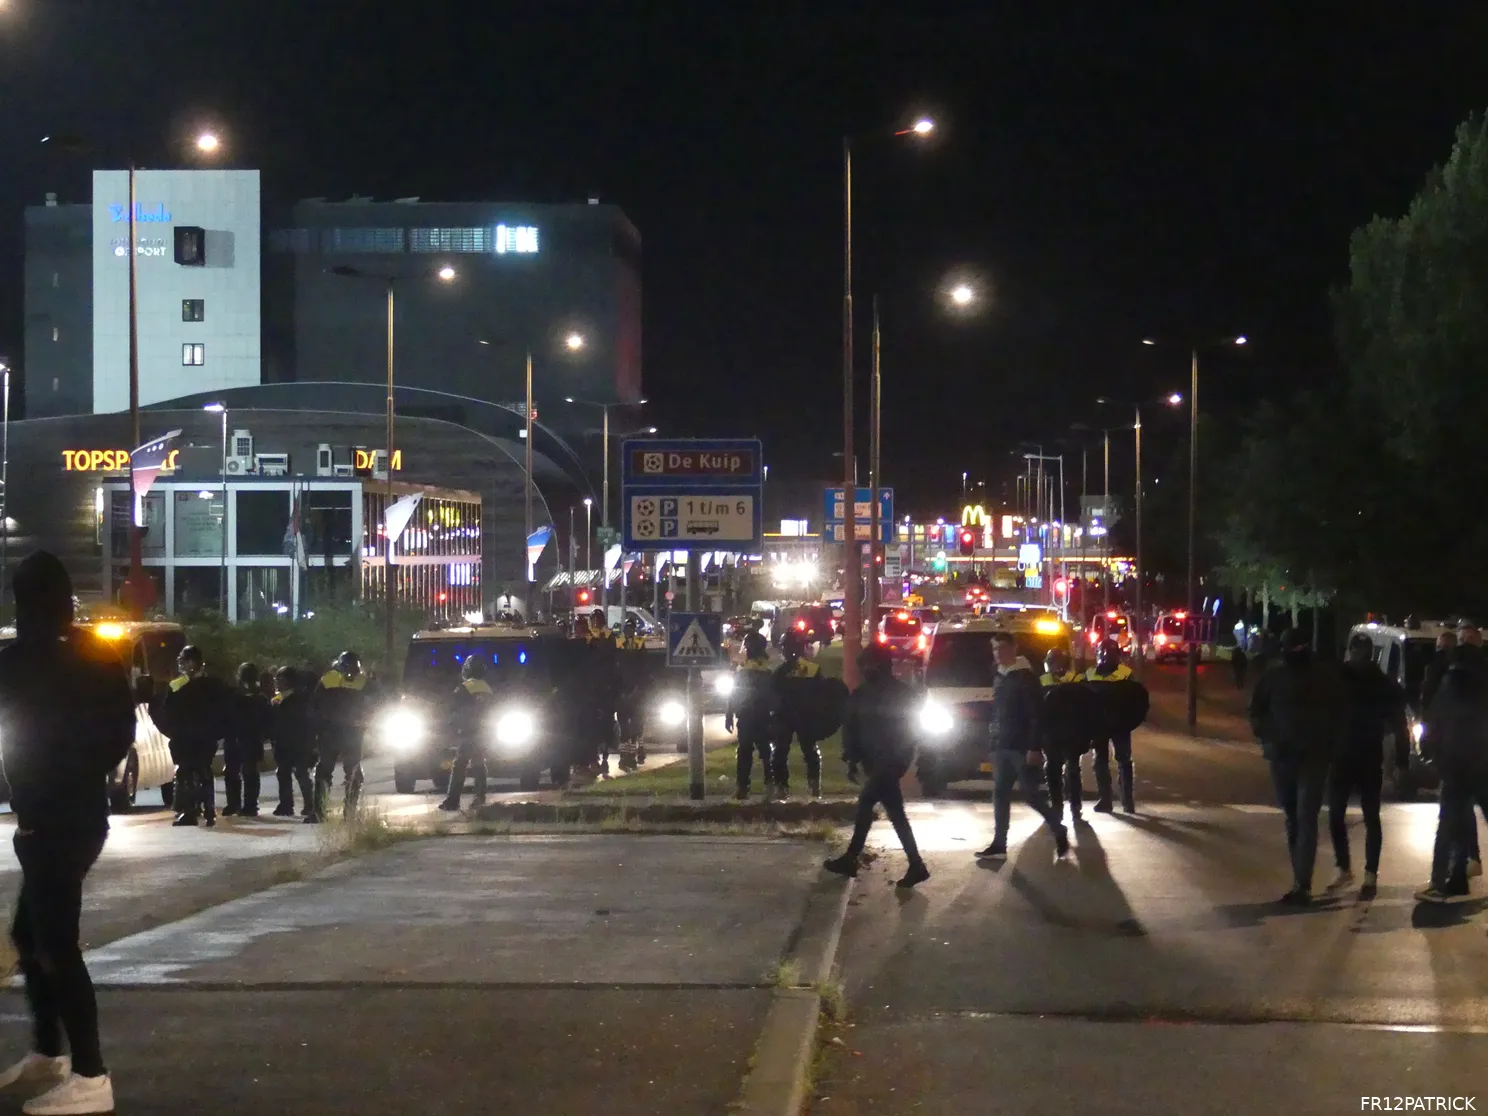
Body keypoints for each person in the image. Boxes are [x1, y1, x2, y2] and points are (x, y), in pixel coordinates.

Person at [0, 551, 134, 1115]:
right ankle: (50, 1052)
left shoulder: (16, 660)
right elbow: (120, 734)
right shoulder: (100, 657)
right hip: (80, 814)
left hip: (51, 819)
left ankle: (89, 1073)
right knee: (32, 938)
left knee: (55, 944)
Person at [1248, 628, 1345, 904]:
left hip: (1310, 756)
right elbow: (1256, 710)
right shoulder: (1276, 678)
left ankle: (1302, 881)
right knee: (1295, 817)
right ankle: (1300, 878)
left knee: (1304, 817)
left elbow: (1340, 714)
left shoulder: (1323, 678)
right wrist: (1267, 734)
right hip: (1286, 755)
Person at [823, 643, 929, 888]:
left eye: (870, 665)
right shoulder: (863, 694)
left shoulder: (900, 694)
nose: (867, 670)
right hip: (877, 762)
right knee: (895, 814)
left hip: (889, 763)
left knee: (866, 805)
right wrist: (851, 758)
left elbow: (911, 730)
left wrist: (902, 758)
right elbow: (852, 728)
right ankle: (916, 865)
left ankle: (851, 858)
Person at [1328, 634, 1409, 895]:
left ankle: (1347, 869)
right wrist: (1402, 759)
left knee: (1339, 814)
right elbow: (1399, 724)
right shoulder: (1382, 683)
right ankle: (1368, 874)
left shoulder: (1340, 680)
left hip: (1347, 755)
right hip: (1367, 755)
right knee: (1369, 816)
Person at [979, 633, 1070, 861]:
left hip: (1021, 747)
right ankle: (999, 843)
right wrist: (992, 740)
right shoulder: (1000, 676)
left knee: (1031, 795)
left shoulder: (1025, 678)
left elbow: (1035, 716)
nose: (998, 654)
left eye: (1002, 648)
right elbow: (998, 712)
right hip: (1001, 745)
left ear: (1013, 649)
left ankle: (1058, 828)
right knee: (1000, 794)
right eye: (995, 649)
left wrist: (1034, 747)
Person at [1417, 639, 1488, 902]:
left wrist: (1432, 756)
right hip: (1483, 766)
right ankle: (1457, 876)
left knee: (1448, 825)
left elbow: (1433, 727)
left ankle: (1440, 882)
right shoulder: (1484, 687)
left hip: (1456, 767)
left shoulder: (1448, 688)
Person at [155, 645, 233, 827]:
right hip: (205, 737)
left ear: (192, 663)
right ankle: (208, 809)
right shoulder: (215, 686)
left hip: (189, 738)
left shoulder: (183, 687)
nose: (180, 664)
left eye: (182, 660)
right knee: (203, 770)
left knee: (186, 772)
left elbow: (168, 712)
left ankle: (190, 811)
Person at [312, 651, 376, 821]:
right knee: (324, 771)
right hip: (331, 732)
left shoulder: (364, 683)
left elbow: (376, 703)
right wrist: (320, 726)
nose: (349, 673)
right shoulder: (328, 680)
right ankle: (319, 811)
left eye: (352, 670)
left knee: (353, 772)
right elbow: (315, 705)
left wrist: (366, 720)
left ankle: (349, 812)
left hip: (351, 733)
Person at [1085, 638, 1144, 813]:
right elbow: (1083, 700)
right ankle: (1106, 799)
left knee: (1123, 761)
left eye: (1110, 652)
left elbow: (1137, 700)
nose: (1105, 656)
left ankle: (1127, 800)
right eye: (1103, 652)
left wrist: (1131, 720)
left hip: (1120, 725)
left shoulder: (1126, 674)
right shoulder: (1090, 674)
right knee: (1100, 762)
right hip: (1100, 725)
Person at [1040, 648, 1094, 825]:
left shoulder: (1077, 680)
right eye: (1052, 662)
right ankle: (1057, 807)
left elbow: (1087, 709)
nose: (1055, 666)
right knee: (1053, 771)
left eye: (1057, 662)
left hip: (1072, 734)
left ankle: (1075, 807)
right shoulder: (1042, 680)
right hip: (1052, 735)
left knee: (1072, 771)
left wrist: (1087, 734)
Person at [771, 630, 825, 798]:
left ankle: (781, 787)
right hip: (806, 716)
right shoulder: (813, 669)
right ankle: (814, 784)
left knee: (780, 751)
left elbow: (772, 694)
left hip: (784, 716)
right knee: (810, 751)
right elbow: (822, 694)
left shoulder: (780, 671)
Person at [725, 632, 775, 799]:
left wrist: (729, 714)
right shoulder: (767, 670)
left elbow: (734, 695)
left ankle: (743, 788)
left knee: (745, 752)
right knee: (766, 752)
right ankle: (770, 785)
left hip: (747, 717)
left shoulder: (744, 670)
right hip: (763, 717)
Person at [440, 656, 493, 811]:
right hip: (484, 732)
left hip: (469, 732)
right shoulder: (487, 688)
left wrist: (451, 727)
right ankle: (480, 797)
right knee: (479, 764)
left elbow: (454, 709)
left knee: (459, 765)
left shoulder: (464, 687)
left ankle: (452, 800)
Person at [269, 666, 317, 817]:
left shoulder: (299, 701)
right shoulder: (277, 700)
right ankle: (286, 804)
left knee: (301, 773)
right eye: (276, 679)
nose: (277, 683)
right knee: (282, 773)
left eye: (281, 679)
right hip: (282, 743)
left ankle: (310, 805)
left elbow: (306, 723)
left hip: (298, 743)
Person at [223, 662, 268, 817]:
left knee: (235, 772)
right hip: (249, 738)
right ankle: (249, 805)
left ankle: (236, 804)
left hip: (237, 737)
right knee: (248, 773)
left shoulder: (234, 694)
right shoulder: (260, 696)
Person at [614, 618, 650, 772]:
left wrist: (637, 689)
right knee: (625, 729)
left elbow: (644, 670)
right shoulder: (620, 646)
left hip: (633, 693)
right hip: (625, 693)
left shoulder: (638, 646)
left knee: (634, 728)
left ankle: (632, 756)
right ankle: (626, 757)